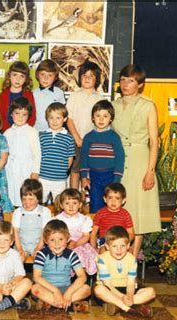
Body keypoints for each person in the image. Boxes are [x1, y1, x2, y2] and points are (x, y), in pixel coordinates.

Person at [112, 64, 161, 256]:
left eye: (131, 80)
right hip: (118, 160)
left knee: (138, 210)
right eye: (123, 79)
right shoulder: (114, 105)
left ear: (140, 84)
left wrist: (150, 171)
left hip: (140, 159)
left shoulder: (148, 106)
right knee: (117, 207)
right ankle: (116, 259)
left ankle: (131, 260)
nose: (125, 84)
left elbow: (154, 142)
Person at [94, 226, 155, 317]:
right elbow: (108, 284)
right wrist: (122, 297)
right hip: (109, 289)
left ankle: (119, 305)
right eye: (114, 246)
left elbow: (131, 283)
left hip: (126, 288)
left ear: (128, 246)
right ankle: (130, 309)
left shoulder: (131, 259)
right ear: (107, 246)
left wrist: (129, 296)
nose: (119, 250)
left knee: (151, 292)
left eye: (122, 246)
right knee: (99, 289)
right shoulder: (102, 259)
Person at [31, 219, 91, 312]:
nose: (57, 243)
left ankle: (53, 304)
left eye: (60, 239)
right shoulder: (41, 254)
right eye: (52, 240)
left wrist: (69, 293)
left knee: (86, 289)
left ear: (67, 239)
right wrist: (55, 291)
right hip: (47, 288)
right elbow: (36, 277)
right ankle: (69, 305)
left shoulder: (71, 254)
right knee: (35, 288)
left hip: (66, 289)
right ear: (45, 240)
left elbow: (82, 277)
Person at [80, 100, 125, 213]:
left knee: (111, 204)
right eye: (98, 115)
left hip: (110, 176)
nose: (101, 119)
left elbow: (120, 159)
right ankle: (96, 229)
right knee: (95, 203)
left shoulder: (114, 137)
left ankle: (109, 228)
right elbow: (84, 158)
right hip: (94, 177)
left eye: (105, 116)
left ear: (111, 118)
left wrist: (116, 180)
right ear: (92, 118)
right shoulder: (88, 137)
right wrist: (84, 177)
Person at [66, 61, 106, 189]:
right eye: (84, 75)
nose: (87, 78)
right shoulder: (74, 96)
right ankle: (73, 195)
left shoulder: (100, 99)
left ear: (97, 79)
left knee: (89, 170)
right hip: (76, 139)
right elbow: (69, 119)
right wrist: (77, 137)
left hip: (93, 140)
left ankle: (85, 198)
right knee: (76, 168)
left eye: (91, 76)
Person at [4, 97, 41, 206]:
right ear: (11, 114)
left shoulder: (32, 132)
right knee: (11, 194)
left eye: (24, 114)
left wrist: (35, 171)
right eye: (17, 113)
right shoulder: (7, 132)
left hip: (26, 169)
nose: (20, 117)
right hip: (10, 169)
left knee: (25, 194)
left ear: (28, 115)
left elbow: (37, 154)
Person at [54, 189, 97, 275]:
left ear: (80, 205)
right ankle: (62, 279)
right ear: (62, 205)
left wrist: (76, 244)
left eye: (74, 203)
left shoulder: (84, 219)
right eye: (67, 203)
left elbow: (86, 236)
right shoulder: (58, 219)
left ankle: (81, 278)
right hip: (61, 245)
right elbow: (54, 235)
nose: (71, 206)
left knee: (81, 255)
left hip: (80, 244)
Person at [39, 103, 75, 201]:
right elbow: (38, 155)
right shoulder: (41, 136)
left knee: (59, 203)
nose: (54, 121)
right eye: (51, 118)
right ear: (47, 119)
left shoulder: (69, 137)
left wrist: (63, 171)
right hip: (43, 177)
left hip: (60, 179)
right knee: (40, 202)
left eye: (58, 118)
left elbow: (70, 158)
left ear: (64, 119)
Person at [12, 179, 51, 261]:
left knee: (40, 259)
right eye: (24, 199)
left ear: (38, 199)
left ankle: (39, 274)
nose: (27, 202)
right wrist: (19, 249)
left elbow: (45, 232)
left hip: (40, 244)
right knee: (18, 259)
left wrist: (38, 248)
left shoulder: (45, 211)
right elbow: (15, 232)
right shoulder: (18, 212)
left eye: (31, 199)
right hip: (22, 245)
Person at [91, 183, 135, 254]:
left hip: (121, 240)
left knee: (130, 253)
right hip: (105, 241)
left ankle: (127, 265)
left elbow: (131, 233)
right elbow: (94, 233)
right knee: (103, 252)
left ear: (123, 200)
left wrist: (123, 241)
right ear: (105, 199)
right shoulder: (100, 213)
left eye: (117, 198)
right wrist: (93, 248)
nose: (113, 201)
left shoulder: (125, 214)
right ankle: (104, 265)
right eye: (110, 198)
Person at [0, 61, 36, 131]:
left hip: (24, 131)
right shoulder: (3, 95)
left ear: (26, 79)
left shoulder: (28, 95)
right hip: (7, 131)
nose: (18, 79)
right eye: (15, 75)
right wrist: (9, 131)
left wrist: (23, 129)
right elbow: (0, 116)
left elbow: (32, 116)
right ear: (9, 76)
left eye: (22, 76)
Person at [32, 59, 66, 132]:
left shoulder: (59, 93)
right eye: (42, 74)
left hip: (54, 131)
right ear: (37, 75)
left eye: (50, 75)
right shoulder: (33, 93)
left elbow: (63, 114)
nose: (46, 78)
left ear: (55, 77)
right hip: (36, 131)